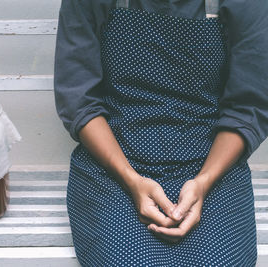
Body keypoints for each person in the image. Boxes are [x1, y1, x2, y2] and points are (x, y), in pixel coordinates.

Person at [53, 0, 268, 266]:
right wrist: (131, 179)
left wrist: (203, 181)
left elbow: (247, 108)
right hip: (112, 167)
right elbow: (79, 101)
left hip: (213, 166)